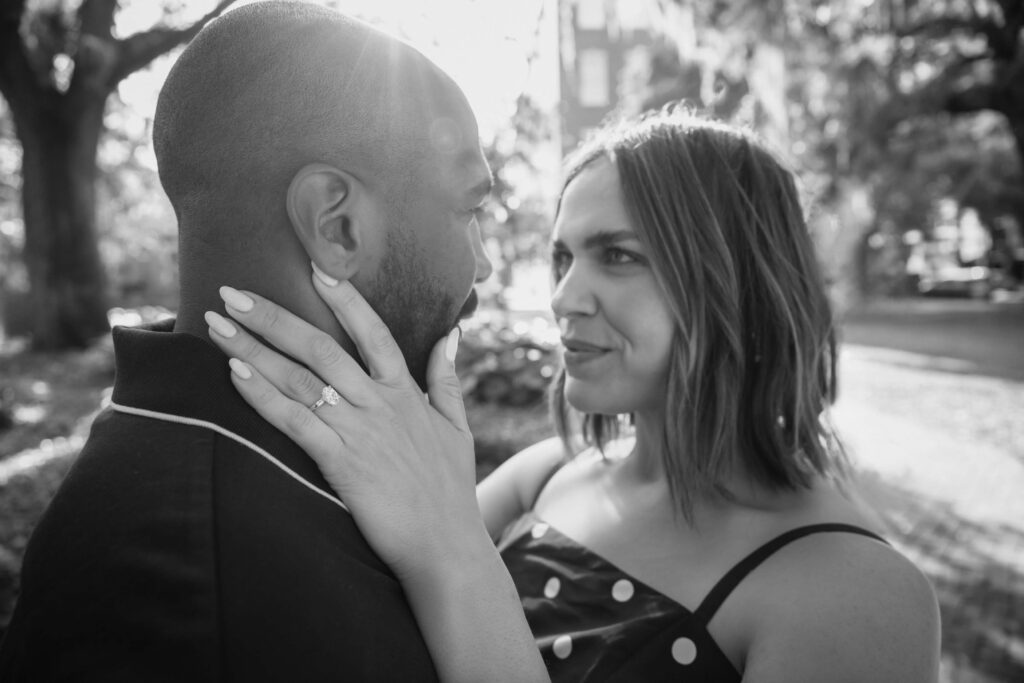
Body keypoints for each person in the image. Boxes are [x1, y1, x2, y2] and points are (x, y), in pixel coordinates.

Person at [207, 109, 943, 681]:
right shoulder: (545, 475)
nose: (563, 298)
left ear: (739, 280)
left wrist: (456, 558)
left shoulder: (858, 593)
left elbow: (440, 557)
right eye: (562, 257)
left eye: (618, 256)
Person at [0, 2, 544, 681]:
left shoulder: (216, 454)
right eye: (470, 211)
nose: (485, 265)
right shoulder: (210, 587)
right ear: (337, 227)